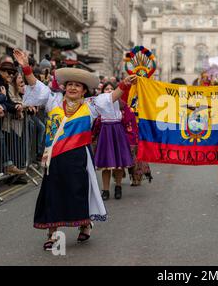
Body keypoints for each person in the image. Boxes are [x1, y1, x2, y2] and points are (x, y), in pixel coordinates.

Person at [15, 49, 135, 251]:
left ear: (84, 91)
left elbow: (111, 97)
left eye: (77, 86)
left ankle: (85, 224)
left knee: (78, 193)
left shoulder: (90, 106)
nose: (72, 88)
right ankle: (52, 235)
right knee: (53, 194)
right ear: (64, 87)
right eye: (69, 84)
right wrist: (26, 67)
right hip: (54, 158)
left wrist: (125, 85)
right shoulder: (53, 101)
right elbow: (35, 85)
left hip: (78, 156)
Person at [92, 82, 134, 200]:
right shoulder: (100, 101)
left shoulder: (121, 103)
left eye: (111, 88)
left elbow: (128, 120)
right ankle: (105, 190)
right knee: (106, 164)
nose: (109, 90)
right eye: (106, 88)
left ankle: (118, 187)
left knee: (119, 164)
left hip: (118, 131)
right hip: (106, 132)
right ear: (103, 91)